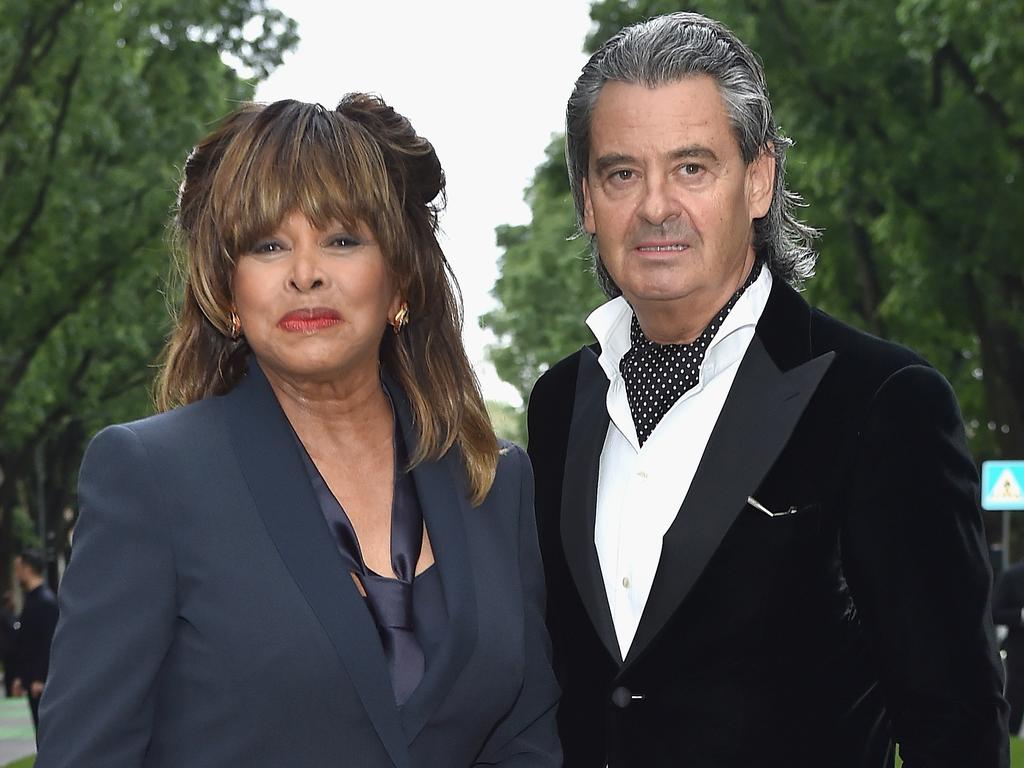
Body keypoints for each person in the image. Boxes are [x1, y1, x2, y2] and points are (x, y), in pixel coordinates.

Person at [527, 11, 1008, 767]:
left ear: (758, 179)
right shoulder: (558, 405)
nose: (656, 206)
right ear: (587, 201)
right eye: (623, 172)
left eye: (691, 167)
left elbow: (955, 723)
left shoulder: (886, 403)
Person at [37, 94, 561, 767]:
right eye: (268, 245)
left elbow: (527, 740)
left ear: (399, 279)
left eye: (342, 239)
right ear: (228, 292)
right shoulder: (149, 478)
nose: (305, 273)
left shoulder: (495, 481)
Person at [10, 550, 59, 733]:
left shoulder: (44, 602)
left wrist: (40, 678)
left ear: (27, 568)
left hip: (40, 683)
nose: (16, 574)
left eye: (18, 569)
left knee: (45, 733)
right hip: (33, 680)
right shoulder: (35, 599)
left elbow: (49, 642)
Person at [994, 561, 1024, 735]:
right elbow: (993, 612)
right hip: (1019, 650)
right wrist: (1019, 615)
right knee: (1016, 698)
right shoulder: (1011, 576)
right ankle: (1009, 737)